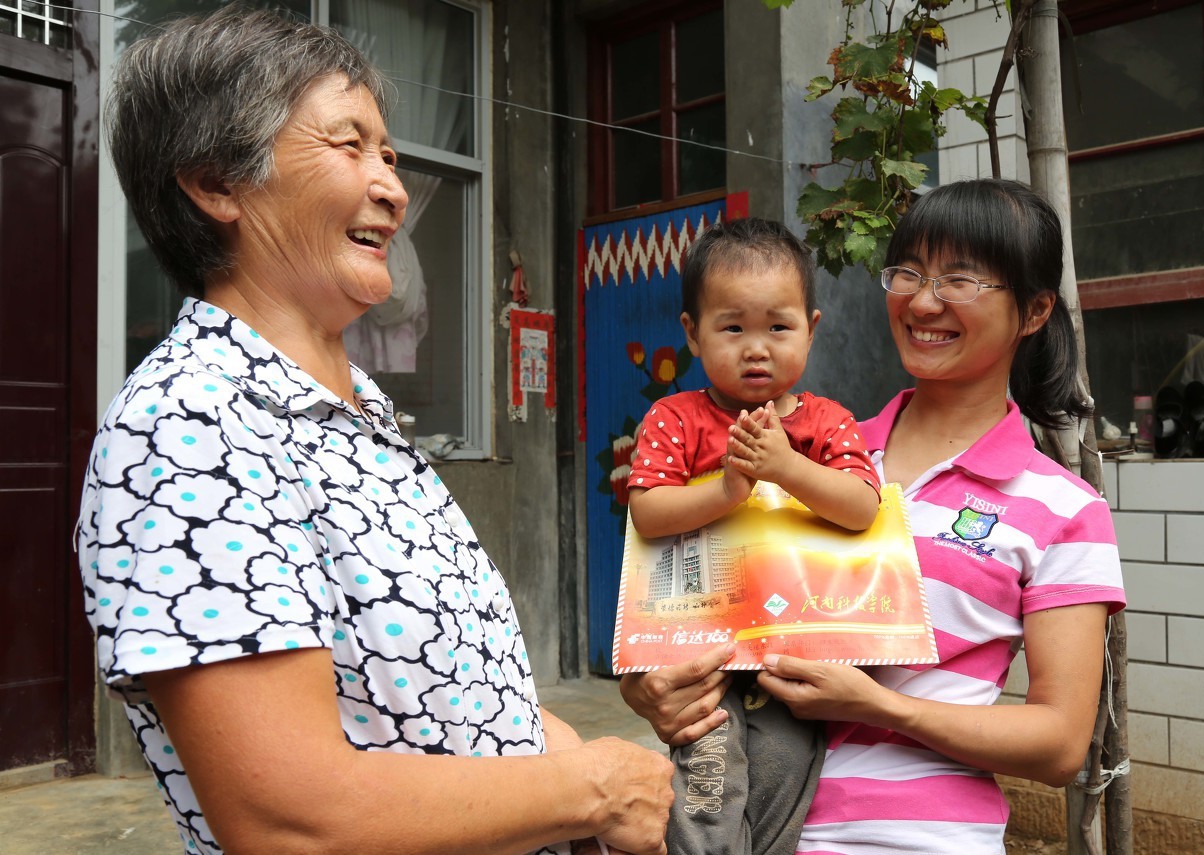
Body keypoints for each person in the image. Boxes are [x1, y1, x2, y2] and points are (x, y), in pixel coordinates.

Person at [76, 8, 671, 855]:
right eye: (348, 145)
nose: (393, 184)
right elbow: (292, 820)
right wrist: (598, 787)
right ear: (216, 182)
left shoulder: (354, 409)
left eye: (387, 151)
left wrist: (594, 768)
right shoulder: (191, 423)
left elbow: (454, 700)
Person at [621, 179, 1126, 852]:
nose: (923, 300)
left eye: (961, 280)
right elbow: (684, 602)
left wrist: (879, 705)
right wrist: (649, 693)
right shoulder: (810, 450)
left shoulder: (1065, 509)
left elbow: (1060, 744)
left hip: (919, 837)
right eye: (908, 272)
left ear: (1034, 311)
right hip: (754, 823)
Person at [626, 217, 881, 855]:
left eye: (778, 327)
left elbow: (862, 507)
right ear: (692, 333)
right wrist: (727, 490)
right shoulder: (675, 418)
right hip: (702, 650)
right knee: (708, 778)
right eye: (732, 327)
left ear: (811, 329)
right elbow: (647, 512)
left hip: (792, 653)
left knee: (785, 774)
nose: (757, 347)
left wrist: (786, 466)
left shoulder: (827, 422)